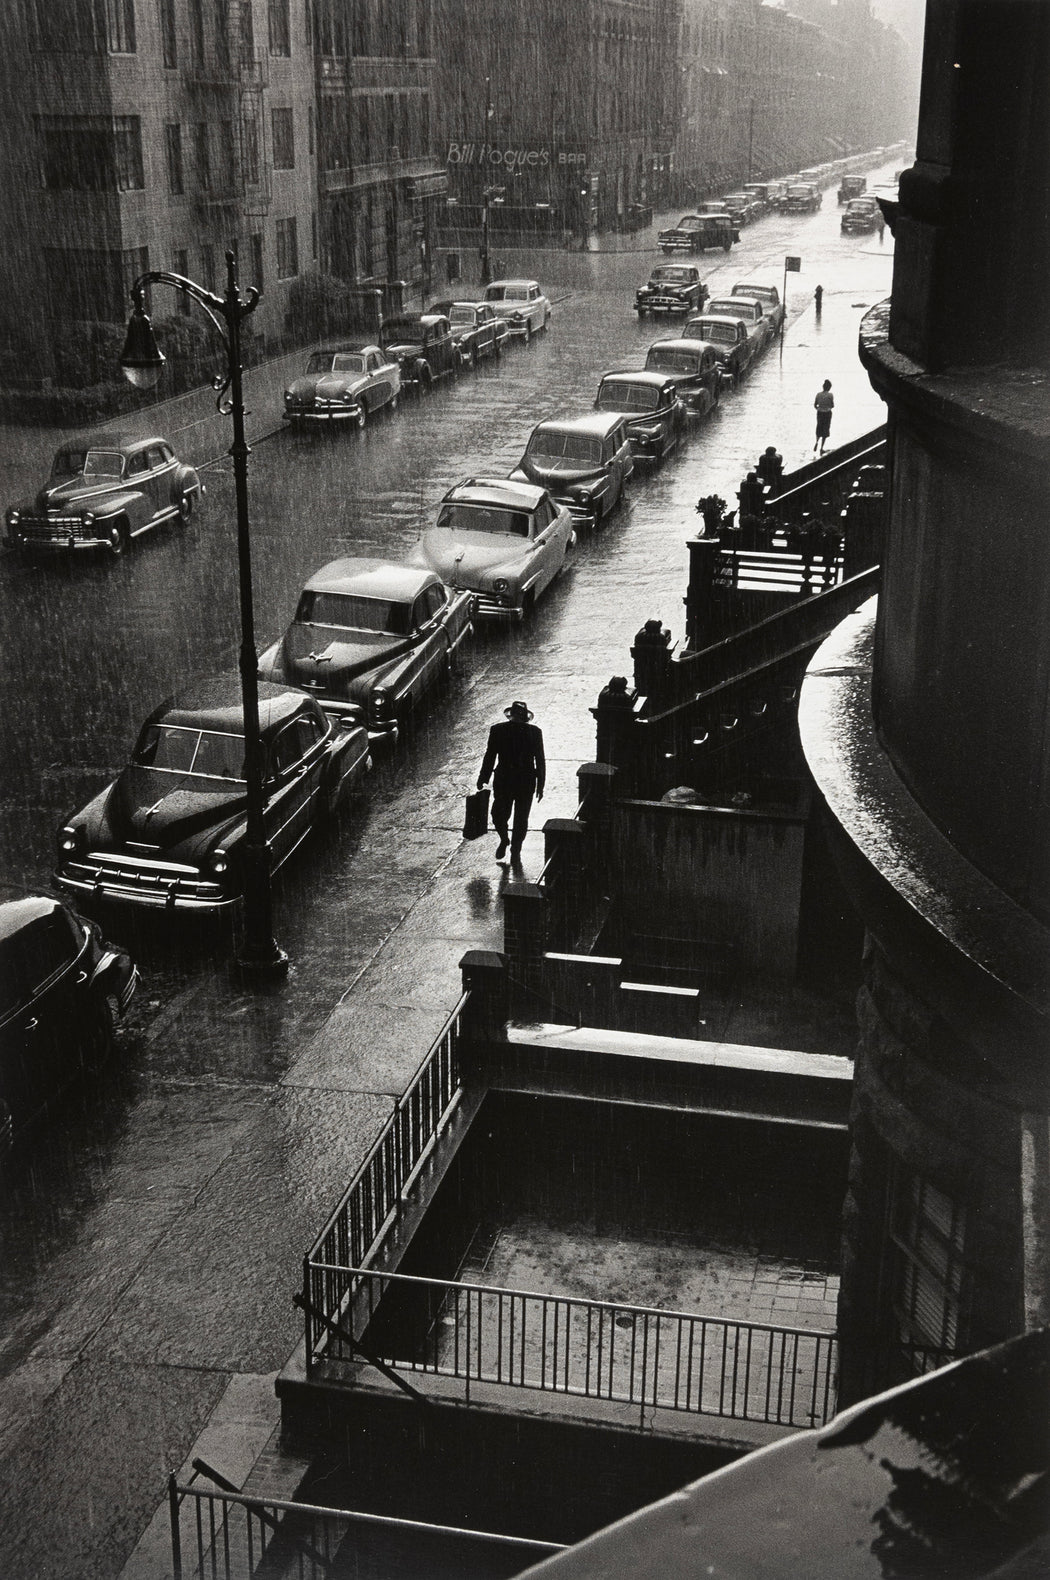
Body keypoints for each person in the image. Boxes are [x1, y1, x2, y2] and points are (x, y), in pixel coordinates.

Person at [477, 700, 545, 864]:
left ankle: (506, 840)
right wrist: (540, 784)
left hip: (504, 780)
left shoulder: (498, 730)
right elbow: (540, 760)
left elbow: (490, 756)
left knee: (498, 814)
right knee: (521, 818)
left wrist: (483, 777)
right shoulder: (534, 732)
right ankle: (515, 849)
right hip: (526, 781)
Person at [813, 379, 834, 454]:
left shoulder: (818, 394)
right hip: (827, 413)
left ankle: (816, 442)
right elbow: (832, 405)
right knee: (825, 430)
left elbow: (815, 405)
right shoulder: (830, 395)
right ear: (829, 387)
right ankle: (821, 448)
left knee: (819, 428)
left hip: (820, 413)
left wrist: (819, 409)